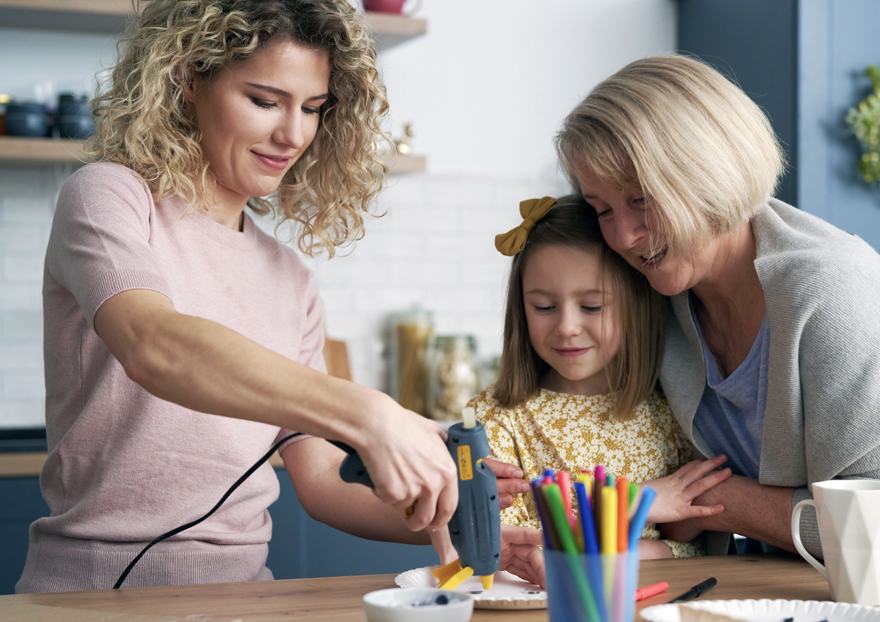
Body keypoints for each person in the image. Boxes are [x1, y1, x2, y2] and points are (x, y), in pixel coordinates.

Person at [18, 0, 540, 593]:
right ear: (188, 78)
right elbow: (151, 344)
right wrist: (370, 413)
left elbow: (321, 478)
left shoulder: (288, 278)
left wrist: (446, 508)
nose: (293, 134)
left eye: (313, 108)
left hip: (244, 595)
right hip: (90, 592)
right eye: (265, 101)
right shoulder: (109, 197)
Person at [555, 54, 880, 558]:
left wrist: (717, 500)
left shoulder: (836, 294)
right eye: (602, 210)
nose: (622, 235)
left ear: (707, 172)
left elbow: (873, 532)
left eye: (642, 199)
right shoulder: (655, 293)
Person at [469, 195, 732, 560]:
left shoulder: (673, 409)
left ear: (636, 306)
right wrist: (634, 504)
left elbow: (694, 544)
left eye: (592, 306)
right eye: (543, 307)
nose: (566, 327)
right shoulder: (496, 419)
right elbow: (512, 553)